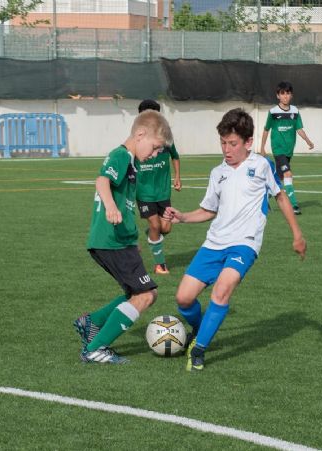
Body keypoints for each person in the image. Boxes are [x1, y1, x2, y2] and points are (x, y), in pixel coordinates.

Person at [164, 108, 307, 372]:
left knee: (222, 289)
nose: (226, 150)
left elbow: (281, 196)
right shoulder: (217, 172)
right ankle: (200, 329)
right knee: (183, 299)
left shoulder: (260, 165)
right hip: (214, 243)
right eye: (223, 143)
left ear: (248, 142)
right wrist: (182, 217)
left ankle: (198, 351)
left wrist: (297, 233)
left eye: (233, 144)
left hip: (245, 243)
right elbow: (209, 211)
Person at [73, 110, 174, 364]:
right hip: (110, 240)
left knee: (138, 293)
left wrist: (132, 239)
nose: (154, 155)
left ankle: (92, 322)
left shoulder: (131, 163)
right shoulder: (120, 155)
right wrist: (110, 206)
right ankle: (95, 348)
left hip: (119, 240)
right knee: (146, 295)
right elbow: (101, 181)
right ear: (140, 135)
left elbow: (126, 204)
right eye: (154, 148)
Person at [135, 99, 182, 275]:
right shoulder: (136, 140)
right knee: (156, 225)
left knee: (165, 228)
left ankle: (152, 233)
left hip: (163, 192)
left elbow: (175, 157)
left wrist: (177, 177)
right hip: (144, 193)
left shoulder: (166, 139)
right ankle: (159, 264)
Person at [260, 81, 314, 215]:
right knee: (288, 174)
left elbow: (299, 128)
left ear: (292, 95)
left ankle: (265, 197)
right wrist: (262, 147)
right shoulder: (273, 112)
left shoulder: (295, 111)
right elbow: (266, 130)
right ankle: (294, 205)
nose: (285, 96)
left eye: (288, 93)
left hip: (289, 150)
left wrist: (308, 140)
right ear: (278, 95)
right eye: (282, 93)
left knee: (278, 178)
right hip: (278, 149)